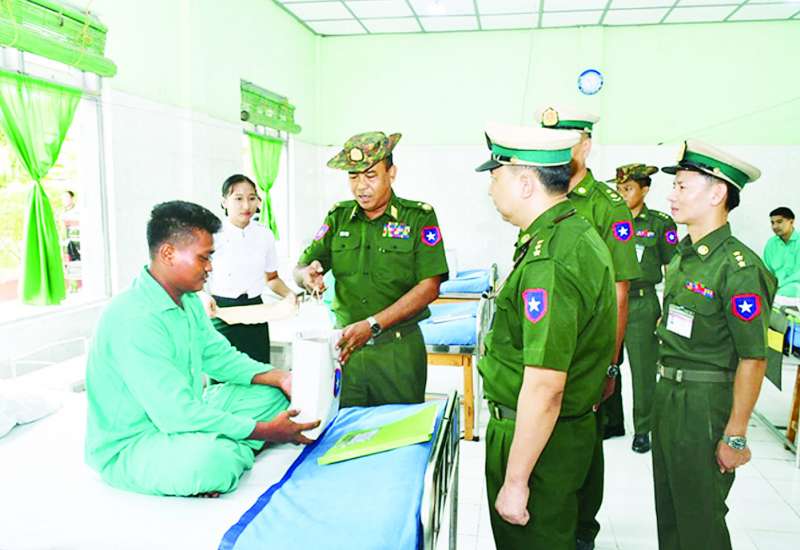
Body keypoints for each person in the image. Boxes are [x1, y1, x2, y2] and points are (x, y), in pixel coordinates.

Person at [85, 200, 318, 497]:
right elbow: (175, 413)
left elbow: (221, 358)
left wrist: (281, 377)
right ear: (168, 254)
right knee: (211, 461)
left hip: (187, 411)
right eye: (203, 258)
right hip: (135, 442)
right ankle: (229, 451)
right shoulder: (133, 317)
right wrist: (264, 431)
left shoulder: (189, 301)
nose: (210, 267)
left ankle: (229, 443)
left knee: (275, 396)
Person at [475, 122, 617, 549]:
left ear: (525, 183)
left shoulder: (550, 259)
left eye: (495, 177)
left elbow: (545, 386)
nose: (490, 189)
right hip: (560, 432)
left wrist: (516, 480)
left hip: (537, 441)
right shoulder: (571, 231)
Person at [654, 140, 776, 549]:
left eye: (682, 186)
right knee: (671, 513)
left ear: (717, 193)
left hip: (705, 403)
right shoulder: (683, 256)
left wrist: (735, 435)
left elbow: (753, 358)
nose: (672, 195)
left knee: (700, 520)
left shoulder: (740, 269)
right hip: (669, 394)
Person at [538, 107, 641, 550]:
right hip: (548, 341)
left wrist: (610, 365)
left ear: (586, 145)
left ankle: (582, 530)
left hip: (586, 350)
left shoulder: (606, 205)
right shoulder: (544, 192)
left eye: (566, 143)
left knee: (583, 437)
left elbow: (620, 291)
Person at [293, 131, 448, 407]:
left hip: (397, 353)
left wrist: (373, 325)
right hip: (346, 353)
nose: (361, 187)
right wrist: (307, 276)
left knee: (400, 430)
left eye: (370, 175)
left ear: (391, 173)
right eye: (353, 177)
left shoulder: (418, 217)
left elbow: (430, 287)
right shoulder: (338, 217)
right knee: (343, 429)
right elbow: (301, 267)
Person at [611, 164, 678, 453]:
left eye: (628, 189)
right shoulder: (610, 219)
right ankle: (612, 422)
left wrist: (669, 308)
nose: (621, 194)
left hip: (641, 302)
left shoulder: (660, 223)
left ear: (645, 190)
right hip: (611, 301)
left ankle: (643, 429)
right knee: (608, 364)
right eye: (618, 189)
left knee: (642, 369)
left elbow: (672, 268)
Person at [205, 174, 296, 364]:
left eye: (252, 198)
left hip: (256, 312)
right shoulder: (211, 236)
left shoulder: (264, 235)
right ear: (224, 202)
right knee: (223, 373)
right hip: (221, 313)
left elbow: (272, 278)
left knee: (260, 372)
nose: (246, 206)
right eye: (238, 199)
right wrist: (204, 298)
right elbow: (196, 280)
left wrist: (290, 295)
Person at [763, 206, 800, 307]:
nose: (775, 226)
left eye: (779, 222)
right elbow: (766, 270)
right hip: (776, 291)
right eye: (772, 223)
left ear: (791, 222)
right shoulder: (771, 244)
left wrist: (779, 286)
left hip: (795, 291)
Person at [61, 189, 81, 293]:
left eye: (67, 197)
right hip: (66, 242)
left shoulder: (78, 210)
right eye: (63, 198)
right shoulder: (62, 212)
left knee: (77, 263)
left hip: (77, 241)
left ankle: (77, 286)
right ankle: (73, 287)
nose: (65, 199)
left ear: (72, 198)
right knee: (69, 264)